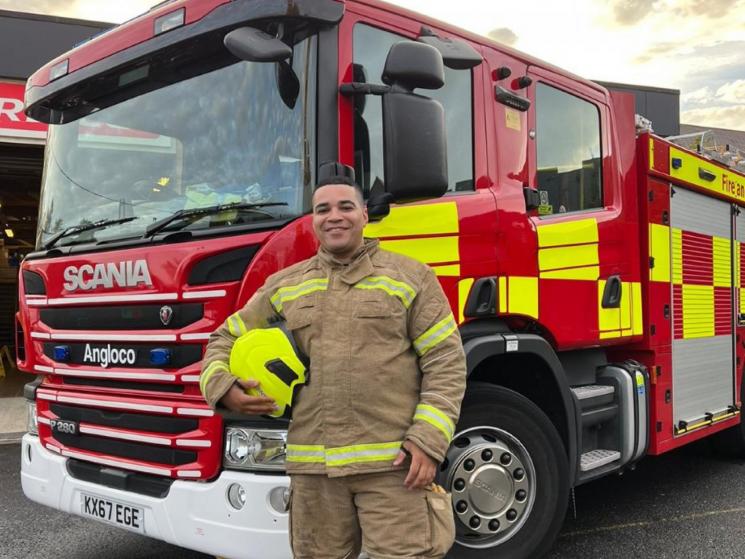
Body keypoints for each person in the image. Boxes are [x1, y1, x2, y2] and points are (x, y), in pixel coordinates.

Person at [200, 163, 466, 558]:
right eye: (323, 209)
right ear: (313, 220)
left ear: (363, 214)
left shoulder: (411, 278)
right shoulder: (284, 285)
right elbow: (223, 337)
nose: (334, 216)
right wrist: (223, 389)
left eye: (345, 206)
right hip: (314, 475)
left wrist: (428, 442)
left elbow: (446, 363)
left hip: (394, 470)